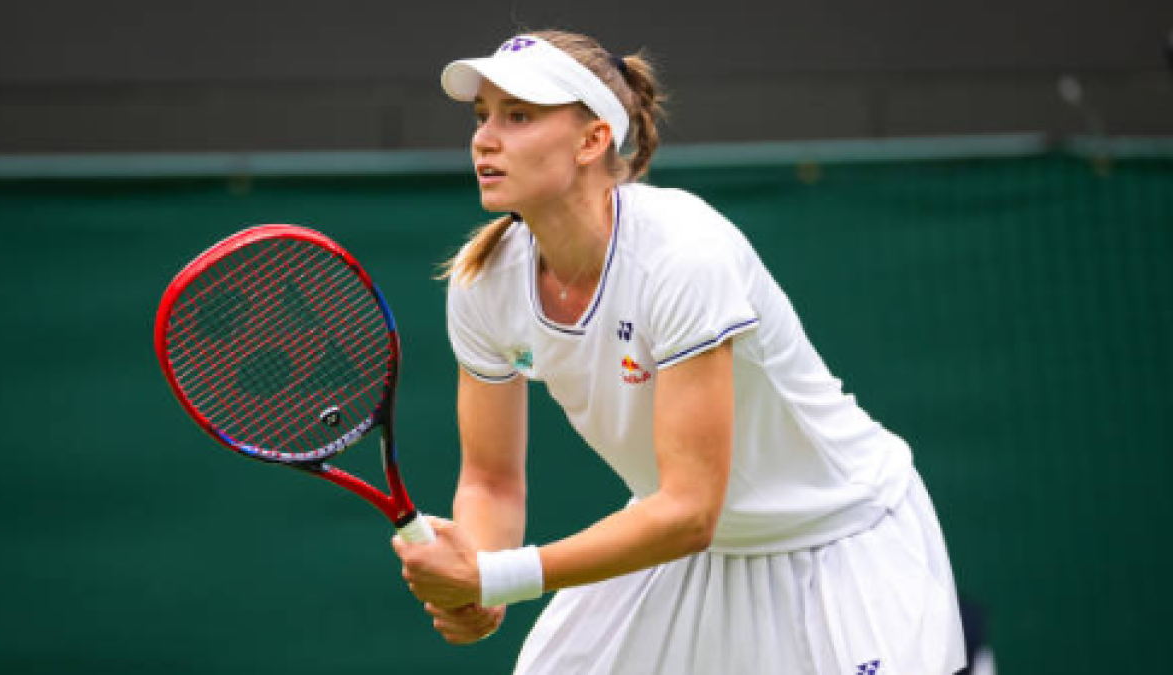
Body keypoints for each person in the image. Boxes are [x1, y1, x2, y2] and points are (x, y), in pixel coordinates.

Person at [391, 29, 966, 675]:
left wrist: (501, 574)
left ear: (592, 139)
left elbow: (691, 508)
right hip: (686, 553)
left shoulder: (683, 254)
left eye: (518, 115)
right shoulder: (484, 282)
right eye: (481, 116)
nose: (485, 138)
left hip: (837, 540)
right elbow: (491, 480)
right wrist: (477, 580)